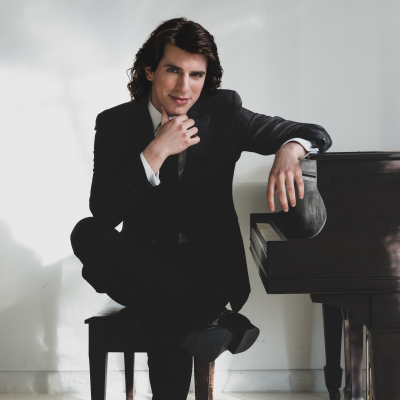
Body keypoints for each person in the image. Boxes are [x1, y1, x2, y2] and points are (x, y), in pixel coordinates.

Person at [70, 17, 332, 399]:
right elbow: (105, 213)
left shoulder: (224, 111)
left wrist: (289, 151)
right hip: (141, 265)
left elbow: (314, 133)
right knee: (85, 233)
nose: (184, 87)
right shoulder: (115, 123)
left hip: (206, 265)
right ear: (149, 70)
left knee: (166, 308)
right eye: (173, 71)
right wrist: (155, 151)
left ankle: (210, 319)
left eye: (196, 75)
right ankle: (216, 318)